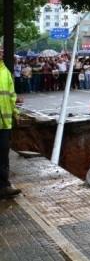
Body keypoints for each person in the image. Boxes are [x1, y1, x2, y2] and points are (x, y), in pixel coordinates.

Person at [0, 48, 22, 198]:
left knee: (3, 155)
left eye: (1, 49)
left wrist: (16, 113)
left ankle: (4, 186)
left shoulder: (5, 71)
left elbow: (12, 95)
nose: (1, 52)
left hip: (4, 123)